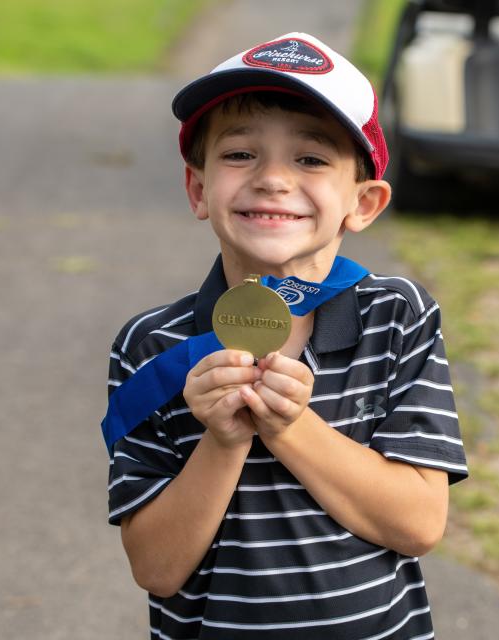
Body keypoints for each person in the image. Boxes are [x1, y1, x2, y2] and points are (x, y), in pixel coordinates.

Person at [104, 32, 468, 639]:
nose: (273, 178)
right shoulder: (151, 348)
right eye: (240, 154)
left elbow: (418, 525)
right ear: (199, 189)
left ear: (365, 202)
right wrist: (220, 443)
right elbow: (157, 568)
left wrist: (292, 425)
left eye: (311, 159)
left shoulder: (398, 317)